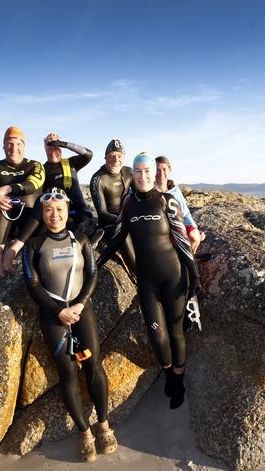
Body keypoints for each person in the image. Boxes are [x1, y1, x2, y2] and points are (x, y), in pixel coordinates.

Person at [97, 152, 199, 409]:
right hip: (148, 282)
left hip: (173, 276)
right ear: (133, 174)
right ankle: (168, 372)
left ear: (153, 174)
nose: (142, 176)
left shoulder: (167, 202)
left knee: (176, 333)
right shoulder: (128, 205)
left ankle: (178, 379)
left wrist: (193, 278)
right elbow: (119, 237)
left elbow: (184, 243)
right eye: (138, 171)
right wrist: (97, 264)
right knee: (157, 335)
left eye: (146, 171)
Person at [22, 188, 116, 462]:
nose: (54, 215)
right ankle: (84, 432)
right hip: (53, 316)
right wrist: (57, 311)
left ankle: (104, 424)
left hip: (80, 310)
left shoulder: (82, 240)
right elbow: (33, 284)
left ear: (67, 212)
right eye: (49, 210)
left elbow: (92, 274)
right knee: (67, 373)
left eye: (60, 210)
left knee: (93, 366)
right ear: (43, 213)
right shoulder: (34, 246)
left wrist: (79, 304)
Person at [1, 132, 93, 273]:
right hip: (56, 217)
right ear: (44, 149)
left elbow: (88, 154)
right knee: (45, 197)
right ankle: (19, 244)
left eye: (56, 146)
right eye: (49, 147)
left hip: (76, 213)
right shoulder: (42, 169)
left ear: (61, 148)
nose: (53, 150)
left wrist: (63, 143)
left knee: (82, 224)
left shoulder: (71, 164)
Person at [0, 126, 44, 279]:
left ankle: (12, 251)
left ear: (24, 146)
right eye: (9, 143)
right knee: (2, 202)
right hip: (7, 223)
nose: (13, 148)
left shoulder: (35, 165)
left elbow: (33, 185)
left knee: (43, 202)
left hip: (32, 225)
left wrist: (7, 188)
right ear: (3, 145)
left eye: (18, 144)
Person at [89, 139, 135, 271]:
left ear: (124, 158)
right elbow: (102, 214)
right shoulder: (98, 179)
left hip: (128, 218)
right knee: (124, 235)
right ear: (105, 157)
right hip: (110, 224)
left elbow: (141, 196)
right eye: (112, 156)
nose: (116, 160)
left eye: (119, 156)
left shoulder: (128, 172)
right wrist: (123, 219)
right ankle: (139, 274)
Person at [155, 155, 205, 253]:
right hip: (159, 231)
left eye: (164, 169)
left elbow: (185, 213)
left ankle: (191, 259)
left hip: (176, 228)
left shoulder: (175, 191)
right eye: (157, 169)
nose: (161, 173)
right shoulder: (149, 191)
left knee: (195, 237)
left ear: (170, 170)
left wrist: (194, 229)